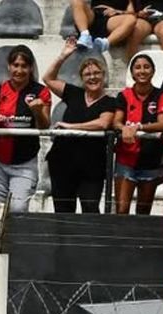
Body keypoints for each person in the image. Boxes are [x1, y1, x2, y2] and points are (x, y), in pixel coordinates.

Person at [43, 40, 119, 214]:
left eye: (96, 73)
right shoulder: (73, 93)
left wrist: (70, 127)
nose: (92, 77)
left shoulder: (110, 102)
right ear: (82, 78)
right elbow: (48, 78)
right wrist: (64, 55)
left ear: (104, 75)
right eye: (87, 74)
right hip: (62, 162)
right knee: (63, 211)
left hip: (91, 166)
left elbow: (102, 123)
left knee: (90, 209)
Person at [0, 45, 51, 213]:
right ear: (9, 66)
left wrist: (37, 111)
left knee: (18, 209)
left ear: (31, 68)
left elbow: (44, 126)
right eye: (15, 65)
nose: (19, 70)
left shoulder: (41, 92)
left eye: (24, 66)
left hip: (25, 162)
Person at [113, 53, 163, 215]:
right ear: (132, 73)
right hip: (126, 159)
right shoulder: (124, 95)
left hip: (151, 160)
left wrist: (137, 127)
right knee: (121, 211)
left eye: (146, 67)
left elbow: (161, 125)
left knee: (143, 212)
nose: (142, 71)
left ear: (153, 71)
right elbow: (116, 122)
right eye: (137, 67)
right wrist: (124, 128)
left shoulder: (162, 95)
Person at [70, 0, 138, 56]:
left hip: (111, 19)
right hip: (94, 14)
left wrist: (116, 11)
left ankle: (103, 44)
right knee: (76, 1)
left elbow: (131, 13)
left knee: (131, 19)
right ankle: (84, 35)